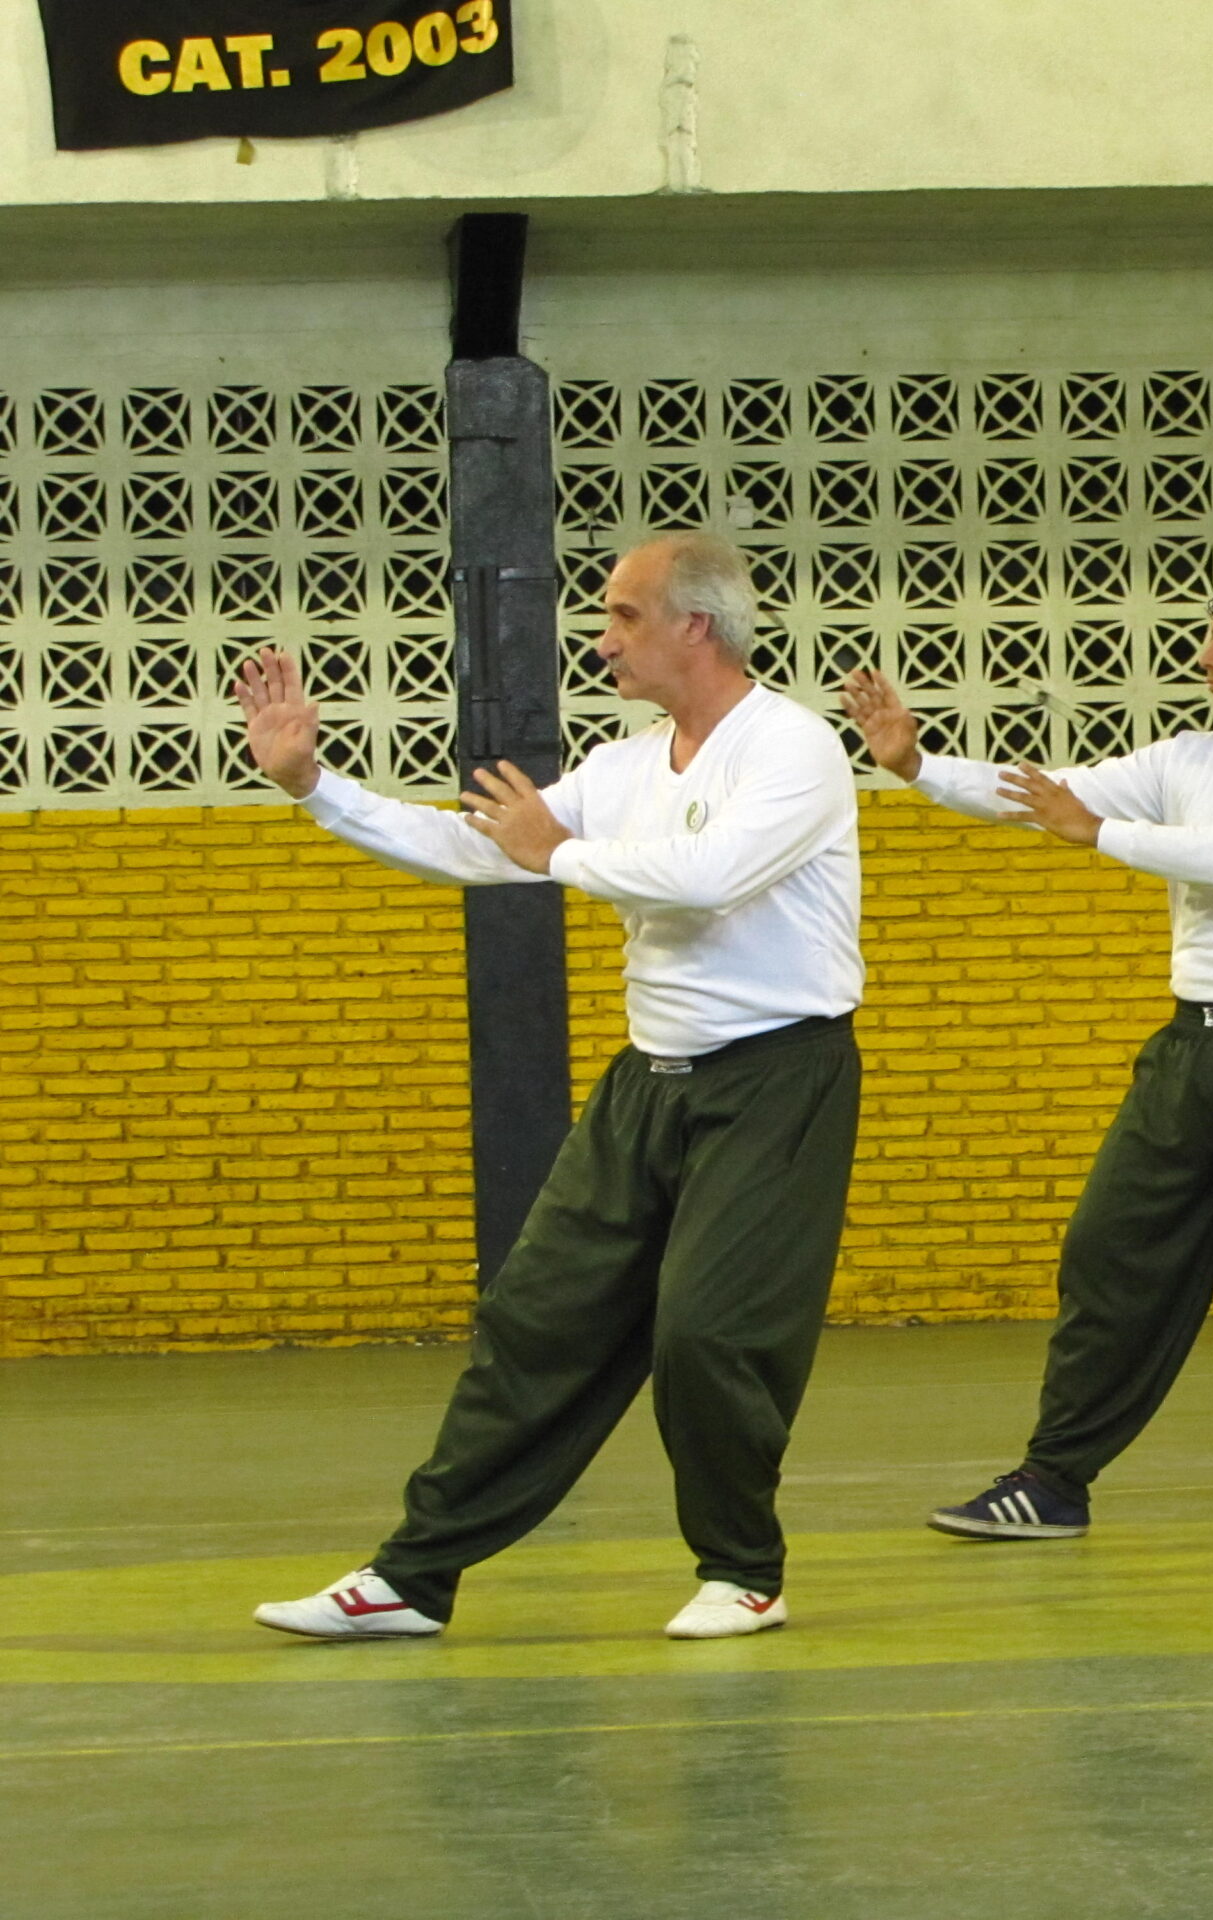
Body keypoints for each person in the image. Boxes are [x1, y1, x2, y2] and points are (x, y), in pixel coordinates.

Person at [241, 532, 862, 1641]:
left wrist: (554, 854)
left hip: (776, 1080)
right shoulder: (625, 768)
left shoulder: (793, 749)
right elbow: (480, 849)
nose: (603, 637)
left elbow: (709, 881)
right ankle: (412, 1578)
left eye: (625, 615)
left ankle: (743, 1572)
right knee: (537, 1320)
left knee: (710, 1332)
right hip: (647, 1086)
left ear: (696, 625)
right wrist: (315, 788)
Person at [842, 577, 1213, 1540]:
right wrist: (918, 765)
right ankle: (1055, 1480)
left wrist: (1096, 833)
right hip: (1193, 1046)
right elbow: (1041, 796)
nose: (1205, 655)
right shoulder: (1186, 760)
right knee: (1108, 1248)